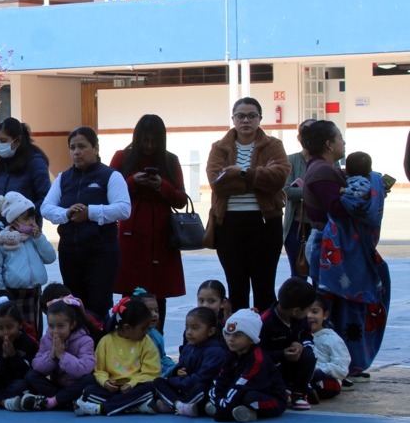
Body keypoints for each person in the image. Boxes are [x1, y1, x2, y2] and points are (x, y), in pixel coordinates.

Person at [302, 124, 389, 381]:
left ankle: (347, 362)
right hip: (333, 250)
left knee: (342, 306)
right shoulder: (323, 171)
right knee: (338, 306)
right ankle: (339, 363)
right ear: (329, 144)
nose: (343, 142)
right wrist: (372, 193)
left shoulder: (326, 169)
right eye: (339, 137)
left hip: (338, 249)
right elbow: (338, 207)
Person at [205, 98, 290, 312]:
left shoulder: (273, 145)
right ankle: (239, 332)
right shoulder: (219, 148)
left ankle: (266, 332)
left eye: (252, 116)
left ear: (260, 118)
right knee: (237, 289)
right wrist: (260, 178)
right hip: (229, 225)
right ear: (233, 119)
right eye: (240, 116)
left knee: (264, 289)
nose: (246, 120)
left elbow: (279, 178)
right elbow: (218, 183)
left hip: (265, 224)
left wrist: (242, 172)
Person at [41, 127, 131, 321]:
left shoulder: (110, 176)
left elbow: (124, 209)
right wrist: (66, 213)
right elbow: (46, 208)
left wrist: (90, 212)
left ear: (95, 148)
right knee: (74, 306)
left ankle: (99, 339)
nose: (76, 152)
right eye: (72, 147)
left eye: (82, 146)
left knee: (98, 306)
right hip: (70, 252)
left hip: (101, 253)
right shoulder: (64, 178)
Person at [109, 115, 187, 330]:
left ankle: (156, 340)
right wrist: (132, 182)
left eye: (154, 141)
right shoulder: (122, 158)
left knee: (158, 294)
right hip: (130, 234)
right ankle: (128, 336)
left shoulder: (170, 160)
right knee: (130, 292)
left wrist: (162, 186)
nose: (149, 146)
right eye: (145, 141)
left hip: (161, 236)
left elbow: (181, 200)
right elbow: (109, 193)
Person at [73, 297, 160, 416]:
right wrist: (105, 382)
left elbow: (151, 372)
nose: (146, 332)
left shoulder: (146, 342)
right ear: (127, 327)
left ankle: (100, 409)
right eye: (143, 329)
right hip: (112, 390)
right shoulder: (106, 341)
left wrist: (132, 384)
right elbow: (99, 370)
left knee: (149, 389)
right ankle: (134, 406)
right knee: (89, 391)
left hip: (135, 387)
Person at [206, 309, 288, 423]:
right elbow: (221, 379)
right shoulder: (231, 354)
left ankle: (251, 413)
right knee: (216, 391)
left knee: (249, 398)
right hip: (244, 391)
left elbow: (241, 385)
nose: (230, 339)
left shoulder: (257, 359)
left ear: (251, 339)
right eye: (228, 334)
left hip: (272, 398)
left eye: (237, 335)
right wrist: (218, 400)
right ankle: (234, 409)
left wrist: (223, 407)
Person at [17, 296, 97, 412]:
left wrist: (62, 355)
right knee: (31, 375)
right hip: (56, 387)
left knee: (90, 379)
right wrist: (52, 356)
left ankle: (54, 402)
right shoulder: (46, 339)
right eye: (51, 326)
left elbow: (85, 369)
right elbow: (37, 365)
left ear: (72, 324)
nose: (55, 331)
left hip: (76, 386)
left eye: (61, 326)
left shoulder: (85, 340)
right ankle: (65, 401)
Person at [0, 192, 55, 333]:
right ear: (14, 220)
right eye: (26, 218)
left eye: (33, 217)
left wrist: (39, 238)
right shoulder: (3, 240)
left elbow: (50, 257)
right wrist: (1, 291)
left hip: (34, 292)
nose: (31, 222)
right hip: (14, 293)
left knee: (34, 330)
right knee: (17, 331)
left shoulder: (34, 238)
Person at [151, 306, 225, 416]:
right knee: (158, 382)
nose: (189, 332)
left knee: (202, 388)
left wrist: (174, 381)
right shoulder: (189, 346)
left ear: (210, 331)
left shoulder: (216, 351)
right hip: (185, 385)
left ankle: (174, 404)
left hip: (199, 388)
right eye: (187, 327)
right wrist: (177, 372)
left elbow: (201, 378)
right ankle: (179, 406)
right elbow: (182, 366)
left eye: (195, 328)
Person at [259, 277, 317, 410]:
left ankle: (299, 394)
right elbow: (257, 355)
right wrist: (282, 354)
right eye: (308, 309)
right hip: (272, 368)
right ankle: (280, 389)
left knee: (308, 355)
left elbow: (307, 336)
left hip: (292, 366)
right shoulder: (264, 323)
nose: (308, 314)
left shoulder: (300, 319)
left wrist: (300, 343)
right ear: (296, 311)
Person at [283, 119, 317, 280]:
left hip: (322, 226)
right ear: (299, 137)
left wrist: (303, 191)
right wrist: (316, 190)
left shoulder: (330, 161)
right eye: (305, 133)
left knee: (321, 278)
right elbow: (287, 191)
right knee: (298, 276)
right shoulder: (291, 160)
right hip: (297, 226)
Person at [0, 117, 51, 205]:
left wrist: (26, 212)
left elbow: (46, 199)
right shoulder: (1, 164)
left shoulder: (35, 163)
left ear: (18, 140)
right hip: (2, 214)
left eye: (3, 140)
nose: (0, 145)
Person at [308, 296, 350, 399]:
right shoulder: (297, 336)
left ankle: (305, 392)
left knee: (316, 377)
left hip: (325, 380)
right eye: (305, 312)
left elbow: (342, 369)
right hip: (303, 376)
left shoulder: (332, 339)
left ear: (325, 315)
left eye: (314, 312)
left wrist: (315, 368)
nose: (309, 316)